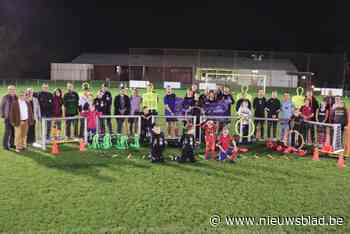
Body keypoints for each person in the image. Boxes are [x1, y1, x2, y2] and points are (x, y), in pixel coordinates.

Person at [0, 85, 17, 150]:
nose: (12, 91)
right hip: (8, 117)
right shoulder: (5, 97)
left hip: (15, 117)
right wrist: (2, 115)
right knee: (7, 132)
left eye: (13, 89)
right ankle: (5, 145)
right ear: (8, 90)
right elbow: (1, 107)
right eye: (10, 89)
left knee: (13, 132)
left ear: (15, 90)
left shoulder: (16, 97)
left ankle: (12, 144)